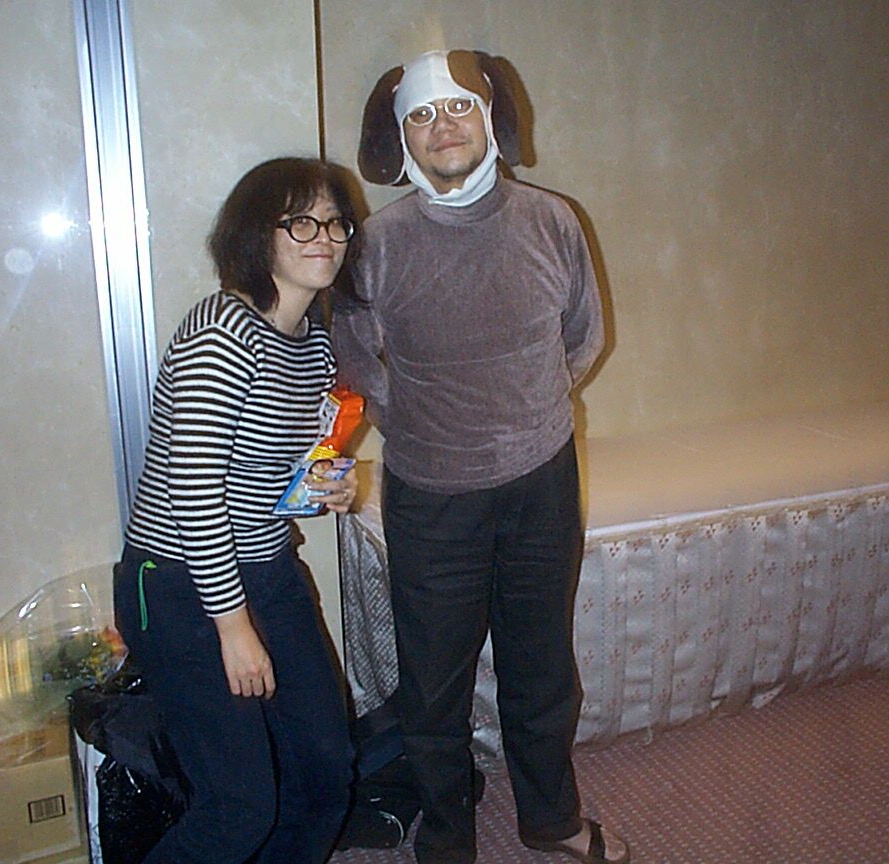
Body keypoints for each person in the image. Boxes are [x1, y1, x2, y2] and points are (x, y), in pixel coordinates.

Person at [334, 50, 628, 864]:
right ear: (401, 138)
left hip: (544, 482)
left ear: (492, 117)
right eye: (422, 115)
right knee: (434, 684)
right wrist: (420, 424)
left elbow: (585, 335)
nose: (444, 126)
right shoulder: (376, 245)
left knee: (543, 667)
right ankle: (447, 838)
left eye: (459, 106)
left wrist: (530, 409)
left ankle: (550, 819)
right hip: (432, 496)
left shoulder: (553, 220)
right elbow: (356, 360)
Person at [113, 157, 362, 864]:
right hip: (179, 583)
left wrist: (330, 486)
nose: (325, 237)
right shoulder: (221, 329)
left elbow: (270, 466)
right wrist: (234, 627)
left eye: (335, 222)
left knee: (324, 773)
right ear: (257, 234)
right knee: (239, 808)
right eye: (301, 222)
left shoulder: (313, 341)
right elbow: (193, 490)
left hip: (266, 568)